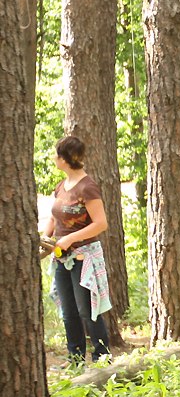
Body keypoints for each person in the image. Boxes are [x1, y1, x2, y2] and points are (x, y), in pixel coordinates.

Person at [43, 135, 112, 365]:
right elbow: (55, 218)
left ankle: (102, 358)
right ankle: (76, 358)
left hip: (84, 256)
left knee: (87, 310)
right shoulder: (61, 186)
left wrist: (71, 238)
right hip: (62, 258)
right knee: (68, 311)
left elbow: (100, 223)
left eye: (57, 154)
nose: (54, 157)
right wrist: (45, 239)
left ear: (66, 159)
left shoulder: (87, 187)